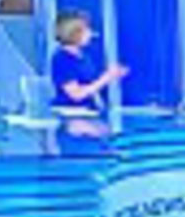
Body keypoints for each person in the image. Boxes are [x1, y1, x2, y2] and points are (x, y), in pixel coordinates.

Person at [47, 12, 126, 150]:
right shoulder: (61, 59)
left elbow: (91, 86)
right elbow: (76, 94)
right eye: (86, 30)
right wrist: (106, 78)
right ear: (73, 32)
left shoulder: (84, 57)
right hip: (71, 120)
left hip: (90, 113)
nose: (91, 34)